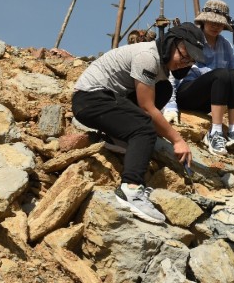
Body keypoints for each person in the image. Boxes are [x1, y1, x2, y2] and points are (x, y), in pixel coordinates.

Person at [71, 23, 206, 224]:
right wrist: (177, 140)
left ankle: (117, 137)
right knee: (144, 127)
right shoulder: (148, 56)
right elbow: (146, 108)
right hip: (90, 100)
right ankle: (131, 189)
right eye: (184, 56)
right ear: (171, 43)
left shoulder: (161, 64)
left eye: (191, 61)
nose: (185, 63)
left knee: (163, 89)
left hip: (108, 98)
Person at [163, 0, 234, 155]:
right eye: (212, 22)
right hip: (188, 92)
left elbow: (231, 76)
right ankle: (215, 132)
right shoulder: (192, 39)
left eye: (220, 23)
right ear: (204, 20)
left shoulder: (226, 45)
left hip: (210, 99)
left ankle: (233, 129)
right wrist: (170, 106)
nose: (216, 26)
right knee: (221, 74)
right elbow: (173, 74)